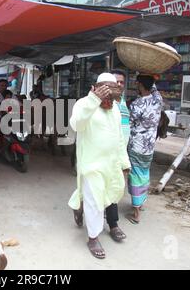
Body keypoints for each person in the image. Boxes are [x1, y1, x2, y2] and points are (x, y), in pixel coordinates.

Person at [68, 72, 131, 259]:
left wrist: (123, 162)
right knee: (94, 201)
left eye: (112, 88)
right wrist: (94, 100)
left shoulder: (116, 109)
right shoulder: (83, 103)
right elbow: (77, 125)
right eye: (105, 87)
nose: (108, 92)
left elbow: (119, 138)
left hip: (111, 164)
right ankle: (93, 237)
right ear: (95, 87)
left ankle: (78, 206)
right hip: (91, 164)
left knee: (111, 195)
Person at [126, 74, 163, 224]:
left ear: (140, 84)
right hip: (149, 146)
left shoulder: (137, 105)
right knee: (144, 173)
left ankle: (136, 213)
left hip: (137, 145)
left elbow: (129, 123)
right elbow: (153, 87)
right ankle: (140, 204)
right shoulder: (158, 99)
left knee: (135, 175)